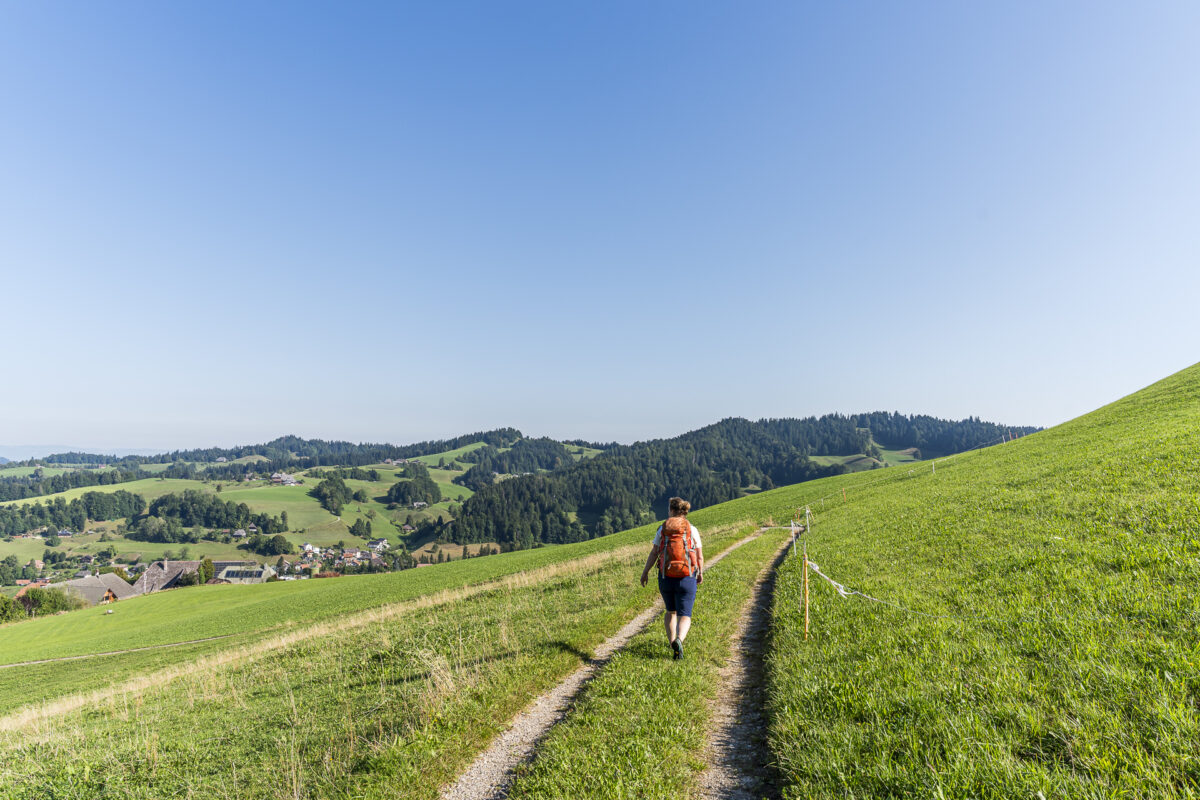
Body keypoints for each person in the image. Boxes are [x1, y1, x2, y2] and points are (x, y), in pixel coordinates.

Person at [640, 497, 704, 660]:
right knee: (685, 614)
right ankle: (679, 640)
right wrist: (700, 572)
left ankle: (672, 645)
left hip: (666, 577)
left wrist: (645, 572)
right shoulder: (692, 529)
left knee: (670, 611)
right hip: (686, 576)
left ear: (672, 511)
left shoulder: (662, 529)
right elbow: (699, 555)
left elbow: (654, 552)